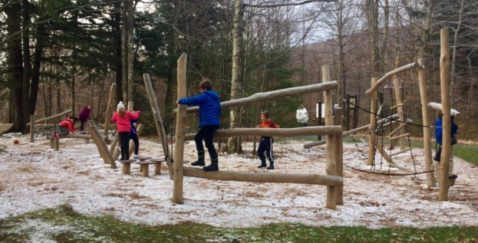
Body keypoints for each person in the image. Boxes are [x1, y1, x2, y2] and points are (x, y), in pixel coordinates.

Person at [177, 79, 221, 172]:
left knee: (209, 143)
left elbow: (193, 100)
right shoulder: (215, 97)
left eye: (200, 89)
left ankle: (214, 164)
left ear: (204, 88)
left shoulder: (205, 96)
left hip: (208, 123)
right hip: (211, 122)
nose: (200, 91)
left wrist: (180, 100)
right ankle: (201, 160)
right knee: (198, 138)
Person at [434, 113, 459, 178]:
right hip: (447, 140)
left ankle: (437, 173)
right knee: (449, 157)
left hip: (439, 139)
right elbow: (455, 129)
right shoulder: (448, 122)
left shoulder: (438, 121)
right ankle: (448, 174)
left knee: (440, 156)